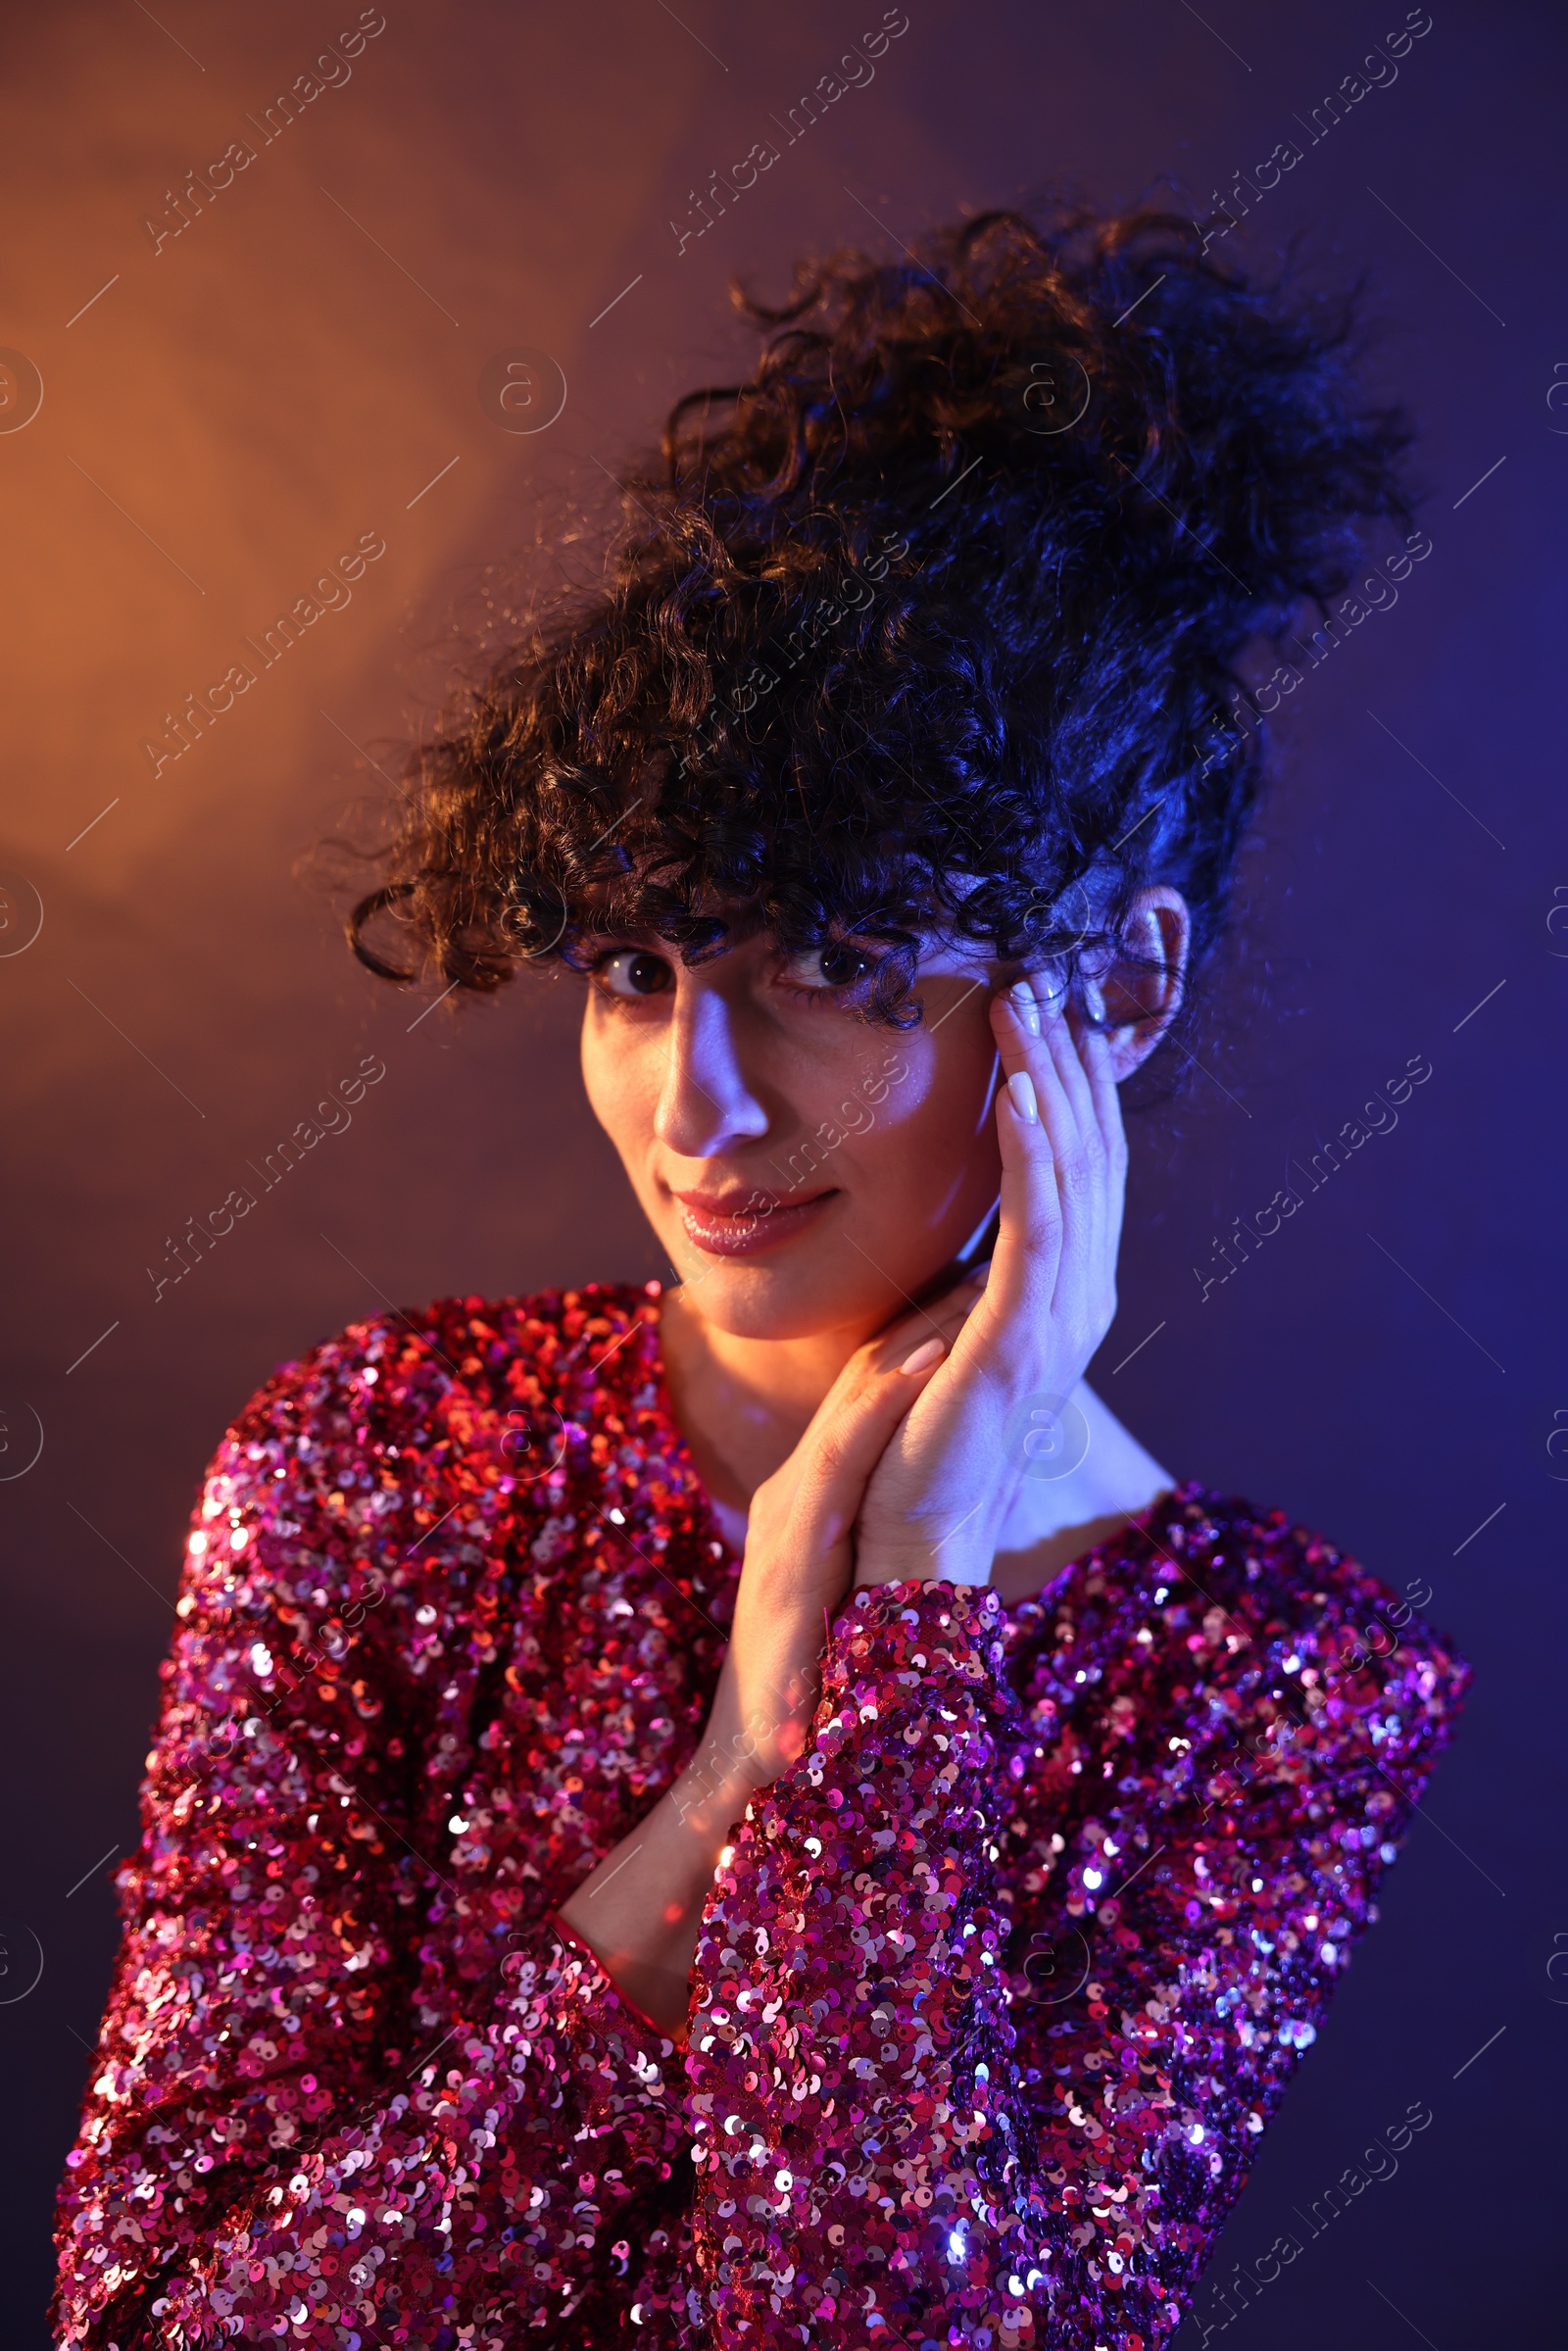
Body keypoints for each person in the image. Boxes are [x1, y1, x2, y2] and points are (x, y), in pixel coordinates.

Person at [52, 205, 1467, 2348]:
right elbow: (166, 2329)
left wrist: (897, 1632)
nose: (690, 1110)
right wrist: (722, 1787)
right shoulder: (368, 1467)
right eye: (636, 967)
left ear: (1112, 984)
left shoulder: (1276, 1688)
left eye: (826, 965)